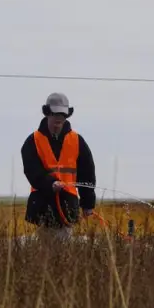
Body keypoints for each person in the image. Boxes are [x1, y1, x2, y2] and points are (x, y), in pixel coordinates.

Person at [21, 92, 96, 240]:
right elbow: (32, 171)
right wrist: (50, 184)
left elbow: (87, 174)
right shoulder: (33, 141)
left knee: (64, 248)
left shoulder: (77, 140)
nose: (58, 119)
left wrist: (88, 203)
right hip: (42, 205)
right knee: (45, 250)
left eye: (62, 115)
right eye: (55, 115)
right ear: (47, 113)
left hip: (67, 205)